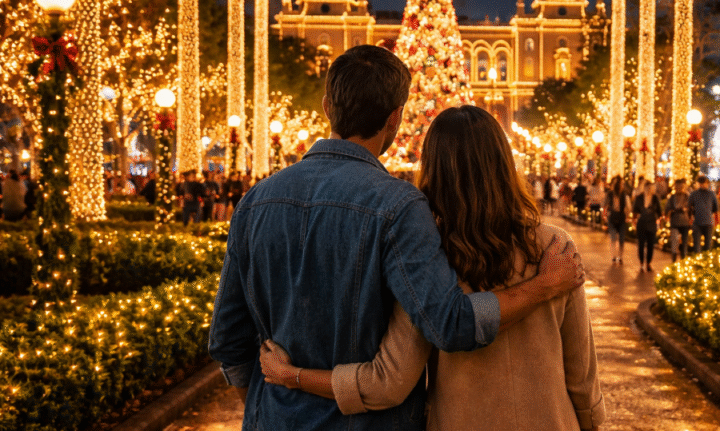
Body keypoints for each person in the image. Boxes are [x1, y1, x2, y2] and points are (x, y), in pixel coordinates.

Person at [208, 45, 585, 431]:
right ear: (395, 119)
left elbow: (228, 339)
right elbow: (450, 323)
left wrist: (271, 404)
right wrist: (543, 286)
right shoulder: (399, 207)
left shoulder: (255, 202)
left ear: (326, 107)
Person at [259, 105, 605, 431]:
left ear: (433, 168)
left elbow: (388, 382)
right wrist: (590, 420)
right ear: (504, 163)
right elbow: (581, 373)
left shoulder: (425, 253)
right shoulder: (553, 248)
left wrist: (293, 375)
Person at [632, 181, 662, 272]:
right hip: (641, 223)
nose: (650, 189)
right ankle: (641, 263)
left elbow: (659, 211)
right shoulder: (640, 197)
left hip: (651, 223)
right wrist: (634, 219)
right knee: (641, 244)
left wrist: (659, 220)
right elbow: (635, 210)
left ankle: (648, 263)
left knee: (650, 245)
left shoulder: (655, 198)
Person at [688, 175, 719, 254]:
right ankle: (698, 261)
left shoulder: (711, 194)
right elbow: (689, 207)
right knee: (697, 246)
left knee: (708, 246)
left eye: (704, 183)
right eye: (700, 183)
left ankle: (706, 262)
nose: (702, 185)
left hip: (708, 223)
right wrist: (689, 219)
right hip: (697, 223)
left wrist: (717, 222)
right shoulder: (694, 194)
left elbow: (716, 209)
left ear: (707, 183)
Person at [605, 175, 628, 264]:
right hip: (612, 217)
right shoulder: (610, 194)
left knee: (621, 239)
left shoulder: (624, 195)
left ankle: (620, 256)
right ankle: (614, 256)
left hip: (621, 218)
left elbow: (627, 206)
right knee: (613, 238)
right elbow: (605, 204)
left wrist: (626, 214)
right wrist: (606, 215)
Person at [666, 179, 690, 262]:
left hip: (685, 223)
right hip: (675, 222)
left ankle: (683, 260)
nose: (679, 188)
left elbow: (691, 208)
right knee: (674, 243)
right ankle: (674, 261)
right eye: (677, 187)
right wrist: (670, 212)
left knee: (684, 244)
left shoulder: (687, 196)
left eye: (681, 186)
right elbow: (667, 209)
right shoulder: (672, 197)